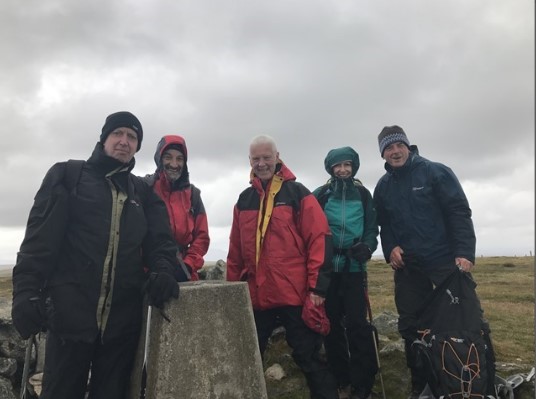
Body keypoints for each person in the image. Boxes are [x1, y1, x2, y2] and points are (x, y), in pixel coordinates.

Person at [11, 111, 179, 399]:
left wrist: (163, 270)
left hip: (120, 328)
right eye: (118, 133)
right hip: (68, 319)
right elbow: (38, 244)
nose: (124, 141)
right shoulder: (67, 176)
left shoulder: (143, 192)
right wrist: (26, 292)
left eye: (132, 137)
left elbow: (160, 243)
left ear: (138, 147)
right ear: (103, 138)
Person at [373, 125, 495, 399]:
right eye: (388, 148)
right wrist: (390, 246)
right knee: (410, 326)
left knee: (466, 322)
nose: (394, 152)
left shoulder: (435, 171)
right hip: (409, 268)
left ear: (408, 145)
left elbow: (458, 212)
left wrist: (465, 253)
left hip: (445, 263)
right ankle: (422, 385)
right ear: (383, 153)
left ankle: (477, 384)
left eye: (398, 146)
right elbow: (385, 223)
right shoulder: (382, 186)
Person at [226, 135, 338, 399]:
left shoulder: (298, 194)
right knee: (245, 357)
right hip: (257, 297)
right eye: (256, 159)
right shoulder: (243, 200)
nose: (262, 163)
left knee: (309, 357)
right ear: (250, 161)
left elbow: (319, 240)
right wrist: (233, 295)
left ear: (278, 157)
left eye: (267, 157)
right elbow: (235, 253)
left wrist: (317, 289)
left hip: (295, 295)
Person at [312, 146, 379, 399]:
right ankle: (342, 378)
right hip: (328, 271)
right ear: (330, 168)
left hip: (354, 269)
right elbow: (309, 228)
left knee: (357, 325)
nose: (342, 170)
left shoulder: (363, 195)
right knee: (331, 327)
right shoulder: (320, 195)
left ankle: (363, 383)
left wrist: (368, 247)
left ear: (354, 167)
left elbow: (372, 228)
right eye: (337, 165)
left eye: (347, 165)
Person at [143, 135, 210, 281]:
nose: (174, 164)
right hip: (151, 274)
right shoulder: (145, 189)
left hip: (185, 273)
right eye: (168, 157)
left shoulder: (193, 195)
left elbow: (202, 237)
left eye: (179, 159)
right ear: (159, 159)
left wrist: (188, 265)